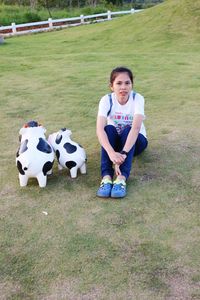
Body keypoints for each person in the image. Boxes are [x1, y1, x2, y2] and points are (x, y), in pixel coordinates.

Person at [96, 66, 148, 198]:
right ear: (111, 86)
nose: (123, 87)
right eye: (119, 83)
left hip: (136, 142)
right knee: (109, 129)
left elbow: (136, 129)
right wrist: (111, 152)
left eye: (127, 83)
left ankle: (121, 180)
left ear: (132, 85)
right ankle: (106, 178)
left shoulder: (138, 99)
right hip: (116, 143)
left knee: (128, 129)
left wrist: (123, 154)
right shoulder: (106, 100)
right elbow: (99, 129)